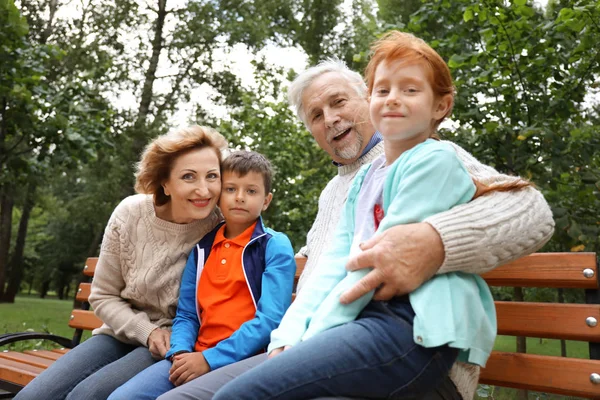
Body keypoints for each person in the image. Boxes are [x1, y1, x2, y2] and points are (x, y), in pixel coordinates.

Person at [157, 42, 554, 400]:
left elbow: (532, 211)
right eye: (316, 114)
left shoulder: (430, 154)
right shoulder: (338, 191)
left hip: (407, 351)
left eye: (338, 102)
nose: (330, 119)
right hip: (319, 342)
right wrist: (286, 336)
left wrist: (435, 242)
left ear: (367, 101)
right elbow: (326, 265)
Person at [14, 125, 227, 400]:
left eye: (212, 176)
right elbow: (103, 295)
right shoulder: (131, 214)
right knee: (32, 397)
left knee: (87, 396)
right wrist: (146, 331)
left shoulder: (221, 225)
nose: (203, 189)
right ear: (165, 183)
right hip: (119, 333)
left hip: (173, 342)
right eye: (188, 176)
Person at [107, 150, 296, 400]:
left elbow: (270, 319)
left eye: (251, 191)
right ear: (218, 196)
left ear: (266, 200)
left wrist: (209, 359)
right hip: (194, 354)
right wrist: (180, 352)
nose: (239, 197)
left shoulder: (273, 245)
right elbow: (186, 314)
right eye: (230, 189)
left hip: (246, 359)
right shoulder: (203, 248)